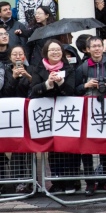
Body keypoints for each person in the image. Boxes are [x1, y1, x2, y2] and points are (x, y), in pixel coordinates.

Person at [29, 39, 77, 194]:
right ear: (46, 53)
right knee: (53, 147)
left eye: (58, 50)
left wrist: (61, 82)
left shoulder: (68, 68)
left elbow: (71, 90)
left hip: (65, 113)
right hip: (47, 113)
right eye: (52, 50)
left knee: (67, 146)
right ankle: (56, 181)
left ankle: (70, 181)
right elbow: (34, 89)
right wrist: (48, 84)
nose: (55, 52)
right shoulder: (38, 68)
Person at [75, 36, 106, 195]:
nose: (97, 49)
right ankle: (90, 183)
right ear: (88, 49)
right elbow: (75, 89)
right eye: (93, 46)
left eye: (99, 46)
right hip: (88, 112)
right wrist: (86, 85)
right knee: (87, 149)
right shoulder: (82, 68)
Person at [2, 45, 33, 193]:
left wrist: (27, 76)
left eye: (21, 53)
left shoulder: (31, 70)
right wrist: (14, 78)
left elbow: (34, 88)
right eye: (14, 54)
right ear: (10, 57)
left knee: (26, 148)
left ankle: (29, 179)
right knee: (14, 146)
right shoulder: (6, 72)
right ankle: (16, 180)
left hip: (27, 113)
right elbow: (6, 92)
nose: (18, 56)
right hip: (11, 113)